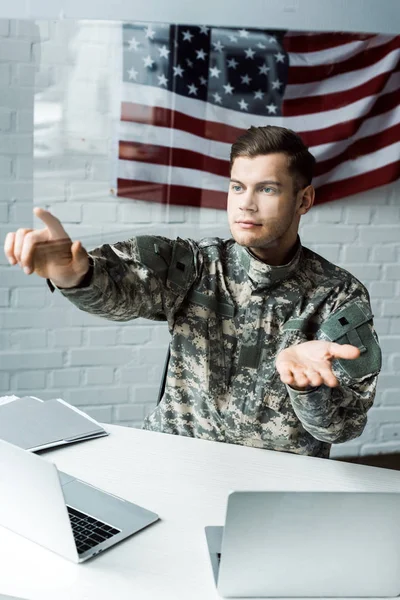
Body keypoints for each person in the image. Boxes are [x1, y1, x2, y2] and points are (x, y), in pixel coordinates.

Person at [4, 125, 381, 458]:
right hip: (173, 462)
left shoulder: (338, 295)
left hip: (274, 486)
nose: (245, 203)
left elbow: (342, 428)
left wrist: (306, 387)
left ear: (304, 200)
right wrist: (74, 273)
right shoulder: (195, 264)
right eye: (237, 187)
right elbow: (119, 286)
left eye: (267, 189)